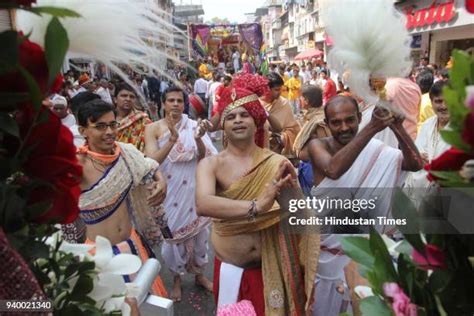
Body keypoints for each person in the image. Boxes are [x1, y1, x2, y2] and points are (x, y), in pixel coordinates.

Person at [196, 73, 319, 316]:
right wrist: (257, 205)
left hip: (272, 269)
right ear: (223, 125)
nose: (238, 120)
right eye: (231, 116)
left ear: (256, 121)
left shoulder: (276, 162)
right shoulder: (211, 165)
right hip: (231, 271)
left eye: (245, 114)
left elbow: (297, 217)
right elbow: (203, 203)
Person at [307, 95, 422, 316]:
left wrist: (396, 125)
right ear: (326, 123)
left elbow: (415, 163)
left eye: (350, 120)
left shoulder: (377, 150)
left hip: (367, 253)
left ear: (359, 117)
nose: (344, 127)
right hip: (329, 256)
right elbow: (333, 169)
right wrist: (372, 127)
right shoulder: (316, 145)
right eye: (336, 122)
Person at [73, 99, 168, 297]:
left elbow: (149, 165)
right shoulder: (76, 165)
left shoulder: (126, 152)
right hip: (99, 255)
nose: (109, 132)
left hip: (131, 244)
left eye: (112, 125)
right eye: (100, 126)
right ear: (83, 131)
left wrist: (161, 182)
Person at [144, 86, 217, 302]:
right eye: (171, 100)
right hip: (168, 192)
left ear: (184, 104)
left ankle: (200, 275)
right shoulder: (153, 128)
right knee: (173, 239)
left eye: (179, 101)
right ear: (163, 104)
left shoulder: (194, 126)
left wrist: (198, 139)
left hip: (193, 190)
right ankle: (176, 279)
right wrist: (172, 140)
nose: (175, 104)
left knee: (201, 237)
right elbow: (151, 162)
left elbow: (205, 158)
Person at [405, 80, 450, 195]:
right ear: (432, 103)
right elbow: (419, 155)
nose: (444, 106)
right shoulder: (428, 124)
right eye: (438, 101)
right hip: (421, 189)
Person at [293, 85, 331, 196]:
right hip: (307, 168)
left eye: (301, 98)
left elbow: (325, 149)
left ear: (306, 101)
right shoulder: (311, 117)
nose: (300, 100)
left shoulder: (319, 122)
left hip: (315, 171)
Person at [260, 73, 300, 157]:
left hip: (279, 152)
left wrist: (282, 138)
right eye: (276, 90)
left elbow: (293, 129)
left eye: (280, 89)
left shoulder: (283, 103)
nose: (280, 93)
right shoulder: (256, 103)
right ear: (267, 89)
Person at [114, 83, 152, 152]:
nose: (128, 99)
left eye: (132, 97)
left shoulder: (143, 120)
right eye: (124, 96)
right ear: (115, 99)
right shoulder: (106, 119)